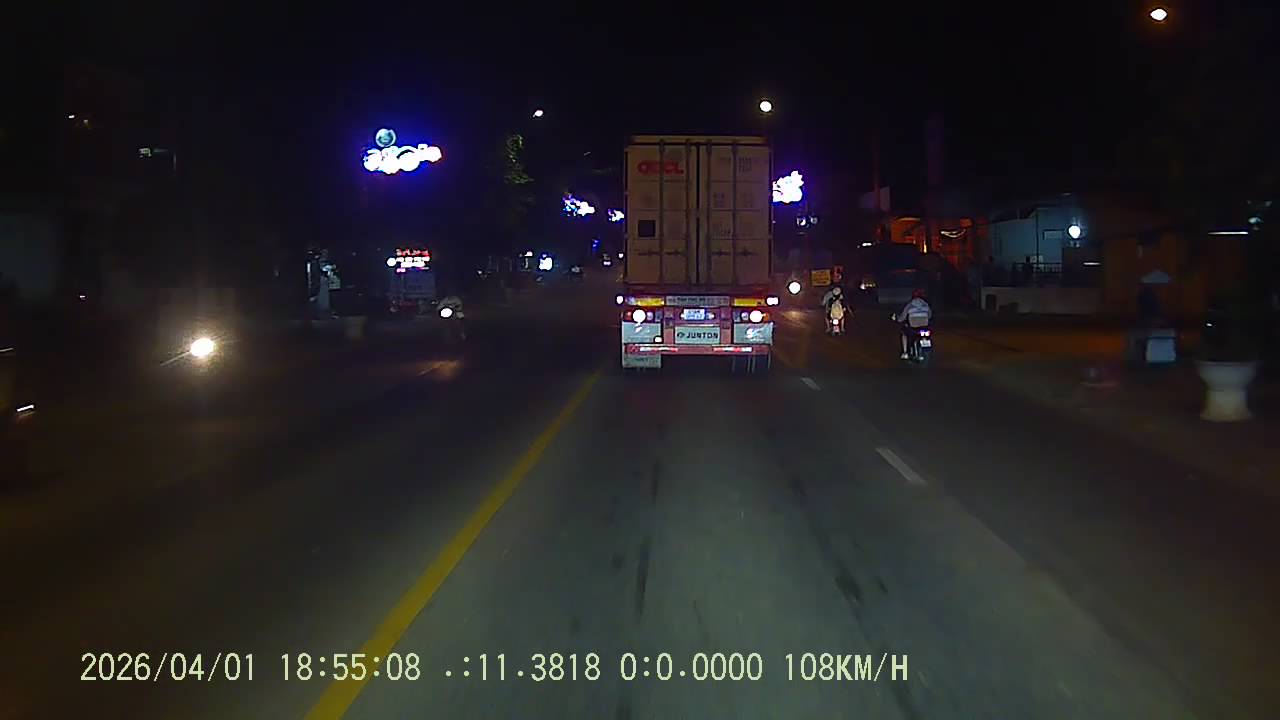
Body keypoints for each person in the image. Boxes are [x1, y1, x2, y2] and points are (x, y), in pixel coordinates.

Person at [895, 288, 932, 359]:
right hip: (925, 327)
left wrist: (898, 319)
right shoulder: (926, 304)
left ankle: (905, 353)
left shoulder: (910, 305)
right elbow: (930, 315)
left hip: (914, 327)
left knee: (904, 333)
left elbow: (902, 317)